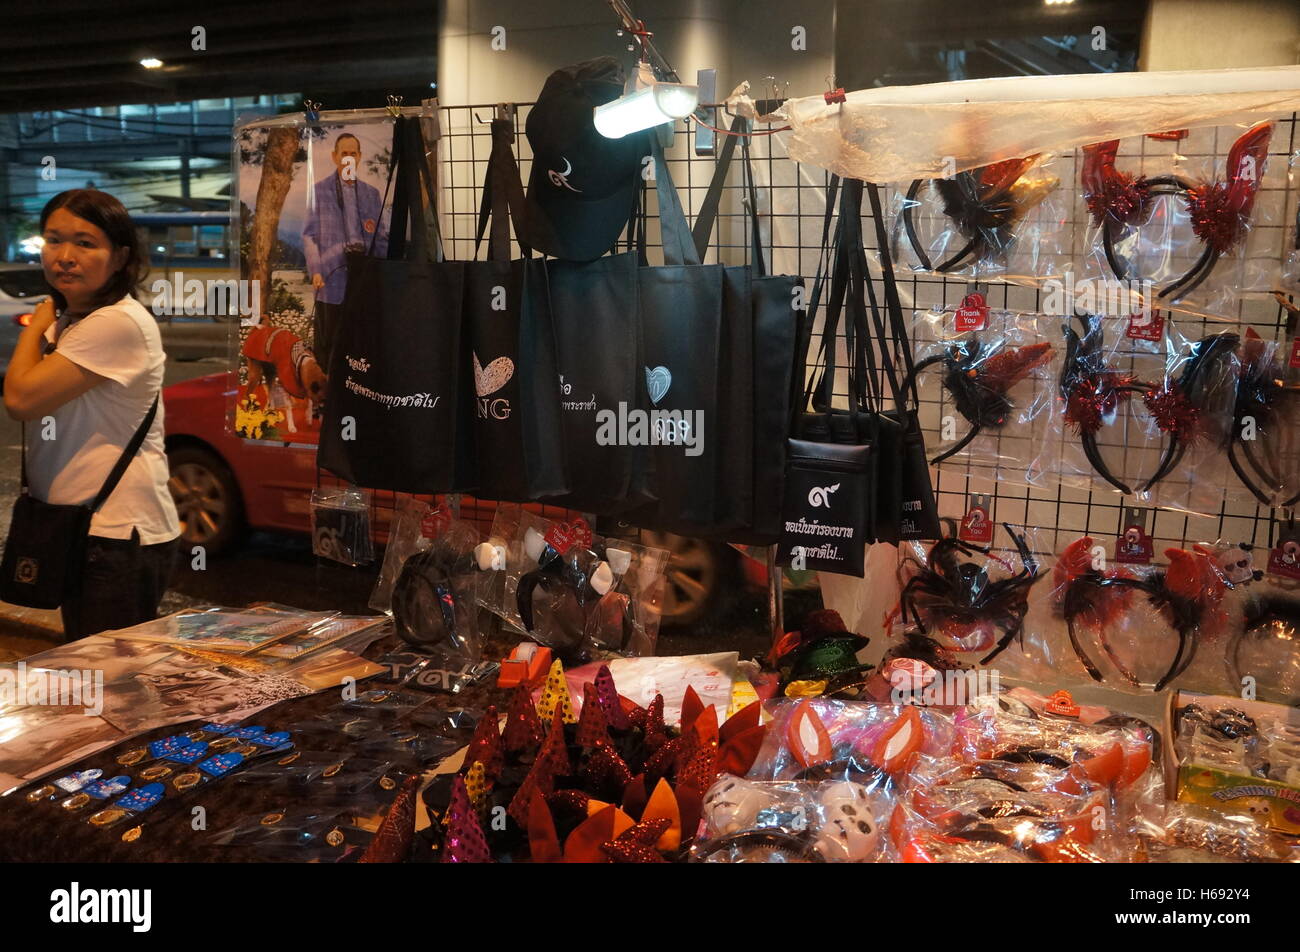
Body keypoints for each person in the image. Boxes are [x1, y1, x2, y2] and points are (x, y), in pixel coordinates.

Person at [4, 189, 181, 640]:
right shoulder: (80, 319)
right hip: (82, 530)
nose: (64, 256)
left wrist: (42, 312)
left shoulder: (114, 323)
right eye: (53, 239)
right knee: (93, 681)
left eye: (85, 243)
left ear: (120, 257)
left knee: (111, 688)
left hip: (116, 535)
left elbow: (22, 400)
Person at [302, 131, 387, 373]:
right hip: (331, 279)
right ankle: (326, 398)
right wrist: (316, 270)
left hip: (363, 280)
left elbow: (381, 237)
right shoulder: (318, 192)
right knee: (329, 343)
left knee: (362, 340)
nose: (348, 157)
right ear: (334, 157)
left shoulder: (372, 194)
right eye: (344, 153)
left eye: (353, 153)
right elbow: (308, 235)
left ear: (359, 157)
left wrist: (380, 274)